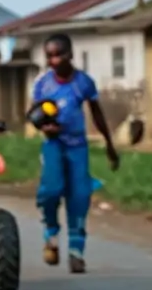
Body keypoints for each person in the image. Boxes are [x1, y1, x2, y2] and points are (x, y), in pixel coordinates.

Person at [29, 32, 122, 272]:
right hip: (53, 144)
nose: (55, 59)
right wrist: (45, 126)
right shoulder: (43, 84)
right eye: (49, 55)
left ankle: (76, 251)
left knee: (79, 195)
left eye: (59, 54)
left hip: (77, 146)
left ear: (70, 54)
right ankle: (50, 234)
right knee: (51, 191)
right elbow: (34, 115)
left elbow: (97, 113)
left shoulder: (83, 82)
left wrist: (110, 145)